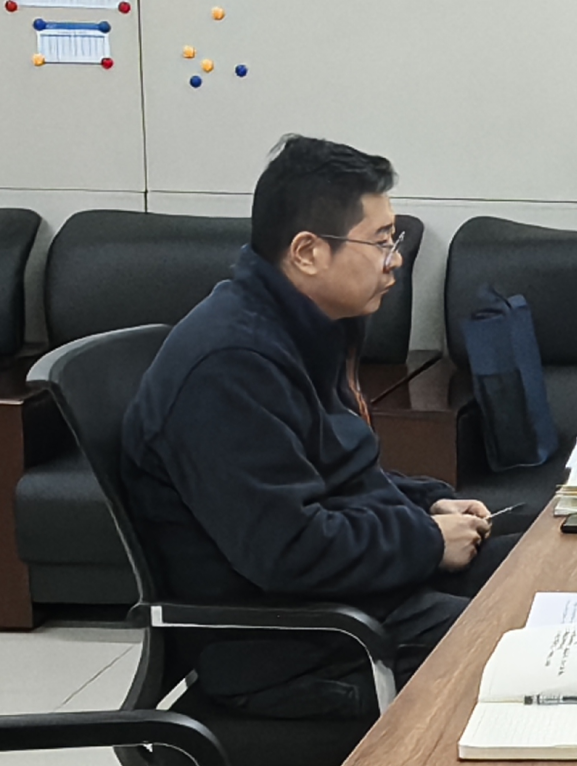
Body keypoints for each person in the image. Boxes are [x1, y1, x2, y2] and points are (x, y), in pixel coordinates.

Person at [124, 135, 513, 718]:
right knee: (530, 644)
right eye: (381, 241)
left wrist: (426, 503)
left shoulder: (306, 325)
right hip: (296, 644)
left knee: (544, 552)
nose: (395, 259)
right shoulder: (229, 366)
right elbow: (289, 549)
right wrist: (427, 542)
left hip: (352, 599)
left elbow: (332, 472)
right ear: (307, 252)